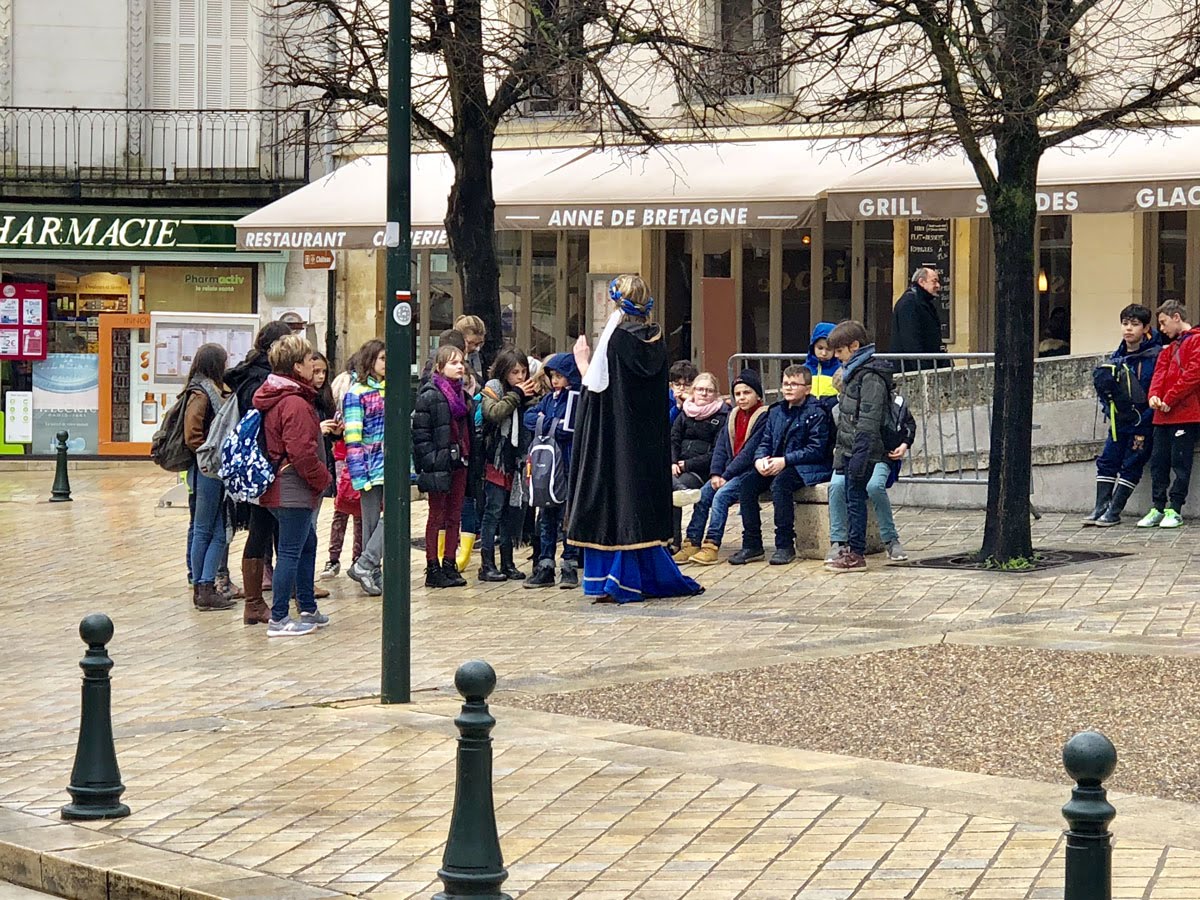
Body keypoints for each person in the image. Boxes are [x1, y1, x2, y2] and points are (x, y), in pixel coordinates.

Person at [566, 274, 703, 603]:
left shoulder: (615, 341)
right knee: (639, 503)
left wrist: (583, 364)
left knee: (616, 503)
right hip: (646, 441)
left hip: (615, 440)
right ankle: (643, 574)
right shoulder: (657, 341)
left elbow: (599, 393)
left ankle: (616, 579)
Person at [253, 334, 333, 637]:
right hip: (292, 487)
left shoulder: (279, 396)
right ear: (297, 366)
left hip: (282, 485)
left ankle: (308, 607)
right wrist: (323, 478)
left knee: (306, 543)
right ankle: (280, 617)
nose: (314, 365)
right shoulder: (294, 403)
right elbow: (301, 452)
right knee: (289, 551)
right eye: (309, 360)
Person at [729, 366, 831, 566]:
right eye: (785, 384)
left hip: (807, 466)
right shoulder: (776, 411)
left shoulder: (817, 412)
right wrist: (760, 459)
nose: (789, 388)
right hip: (777, 462)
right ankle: (752, 544)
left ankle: (784, 544)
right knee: (747, 484)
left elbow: (816, 449)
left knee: (781, 485)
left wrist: (785, 460)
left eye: (794, 384)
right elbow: (765, 441)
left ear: (807, 389)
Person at [225, 319, 293, 620]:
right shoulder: (261, 379)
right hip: (263, 462)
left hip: (260, 462)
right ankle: (255, 602)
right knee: (263, 527)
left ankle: (263, 598)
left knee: (264, 527)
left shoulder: (251, 374)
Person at [675, 368, 768, 566]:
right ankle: (692, 541)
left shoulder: (763, 416)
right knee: (703, 496)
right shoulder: (733, 415)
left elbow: (749, 452)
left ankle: (712, 544)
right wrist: (716, 473)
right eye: (738, 394)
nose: (742, 397)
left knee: (721, 497)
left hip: (747, 472)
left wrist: (726, 475)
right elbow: (720, 448)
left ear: (758, 395)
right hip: (726, 472)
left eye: (747, 392)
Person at [825, 321, 894, 573]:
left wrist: (859, 455)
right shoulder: (853, 373)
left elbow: (868, 419)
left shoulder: (870, 376)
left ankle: (856, 552)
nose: (836, 356)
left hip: (863, 450)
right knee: (850, 497)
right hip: (850, 448)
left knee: (856, 500)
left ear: (854, 346)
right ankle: (851, 549)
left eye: (839, 351)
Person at [826, 366, 914, 564]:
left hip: (881, 456)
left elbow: (908, 425)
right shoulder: (837, 410)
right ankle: (838, 541)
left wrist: (904, 444)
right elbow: (836, 440)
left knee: (874, 486)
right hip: (848, 457)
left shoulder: (889, 403)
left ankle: (891, 539)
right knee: (836, 486)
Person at [1084, 304, 1161, 527]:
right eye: (1125, 324)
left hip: (1144, 422)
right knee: (1108, 460)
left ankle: (1114, 510)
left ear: (1145, 328)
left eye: (1134, 324)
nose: (1128, 329)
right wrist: (1110, 410)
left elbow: (1157, 388)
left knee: (1132, 463)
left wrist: (1145, 417)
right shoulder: (1116, 357)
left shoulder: (1156, 356)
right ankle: (1101, 507)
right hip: (1120, 421)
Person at [413, 345, 474, 588]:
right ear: (439, 367)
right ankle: (432, 566)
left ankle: (450, 562)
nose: (459, 366)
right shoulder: (430, 395)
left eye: (461, 362)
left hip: (460, 461)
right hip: (440, 463)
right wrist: (433, 460)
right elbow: (421, 435)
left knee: (454, 514)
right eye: (453, 362)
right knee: (436, 515)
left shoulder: (464, 396)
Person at [182, 343, 236, 612]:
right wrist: (208, 453)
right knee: (208, 530)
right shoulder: (202, 393)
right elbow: (192, 434)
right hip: (209, 469)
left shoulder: (206, 390)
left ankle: (204, 585)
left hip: (209, 469)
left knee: (214, 530)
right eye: (224, 361)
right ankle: (203, 586)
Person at [478, 348, 539, 582]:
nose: (520, 377)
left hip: (517, 460)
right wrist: (516, 395)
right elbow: (494, 413)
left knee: (510, 513)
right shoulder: (493, 387)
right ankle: (487, 564)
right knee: (493, 510)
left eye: (523, 372)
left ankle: (508, 562)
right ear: (504, 371)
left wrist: (531, 397)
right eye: (515, 372)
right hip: (496, 459)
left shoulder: (526, 391)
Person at [522, 351, 583, 589]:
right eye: (552, 376)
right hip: (547, 469)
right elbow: (529, 418)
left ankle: (569, 565)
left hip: (567, 466)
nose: (555, 380)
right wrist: (550, 423)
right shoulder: (549, 399)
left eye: (560, 376)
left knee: (567, 518)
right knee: (546, 517)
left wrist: (544, 422)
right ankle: (545, 565)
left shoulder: (575, 398)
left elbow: (568, 429)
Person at [1138, 300, 1200, 528]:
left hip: (1185, 414)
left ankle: (1174, 508)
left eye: (1164, 323)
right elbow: (1159, 374)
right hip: (1163, 414)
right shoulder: (1170, 348)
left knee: (1180, 462)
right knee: (1158, 462)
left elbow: (1193, 375)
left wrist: (1169, 398)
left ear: (1176, 317)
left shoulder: (1195, 341)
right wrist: (1154, 396)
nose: (1162, 329)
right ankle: (1158, 506)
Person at [669, 372, 729, 553]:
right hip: (678, 467)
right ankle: (670, 538)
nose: (703, 393)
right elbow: (673, 440)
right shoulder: (684, 413)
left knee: (671, 489)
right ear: (693, 391)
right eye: (700, 389)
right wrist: (673, 462)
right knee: (664, 484)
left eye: (709, 390)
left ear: (716, 394)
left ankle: (674, 543)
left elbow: (717, 451)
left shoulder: (722, 416)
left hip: (701, 470)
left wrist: (687, 465)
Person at [344, 340, 386, 596]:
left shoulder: (391, 389)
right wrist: (359, 473)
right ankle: (370, 569)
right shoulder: (356, 393)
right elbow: (353, 437)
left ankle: (365, 564)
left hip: (391, 465)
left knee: (392, 518)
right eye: (382, 358)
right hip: (370, 466)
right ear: (370, 361)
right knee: (370, 522)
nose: (386, 363)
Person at [321, 349, 364, 578]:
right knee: (344, 505)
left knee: (356, 509)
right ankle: (338, 558)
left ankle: (353, 557)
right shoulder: (346, 383)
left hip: (352, 453)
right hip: (343, 453)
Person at [890, 267, 947, 369]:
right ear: (921, 282)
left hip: (927, 366)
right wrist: (922, 369)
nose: (938, 286)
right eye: (934, 281)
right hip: (914, 369)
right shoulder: (909, 303)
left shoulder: (923, 302)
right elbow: (911, 341)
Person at [806, 322, 841, 413]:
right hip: (808, 413)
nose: (824, 353)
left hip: (831, 413)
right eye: (820, 348)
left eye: (828, 349)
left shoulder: (840, 370)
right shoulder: (805, 370)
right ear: (813, 347)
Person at [455, 314, 487, 385]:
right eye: (470, 343)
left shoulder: (482, 357)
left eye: (479, 343)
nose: (475, 348)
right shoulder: (444, 358)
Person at [669, 360, 699, 425]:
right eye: (677, 385)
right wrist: (677, 407)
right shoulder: (666, 399)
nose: (682, 388)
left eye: (687, 385)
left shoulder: (700, 397)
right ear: (671, 386)